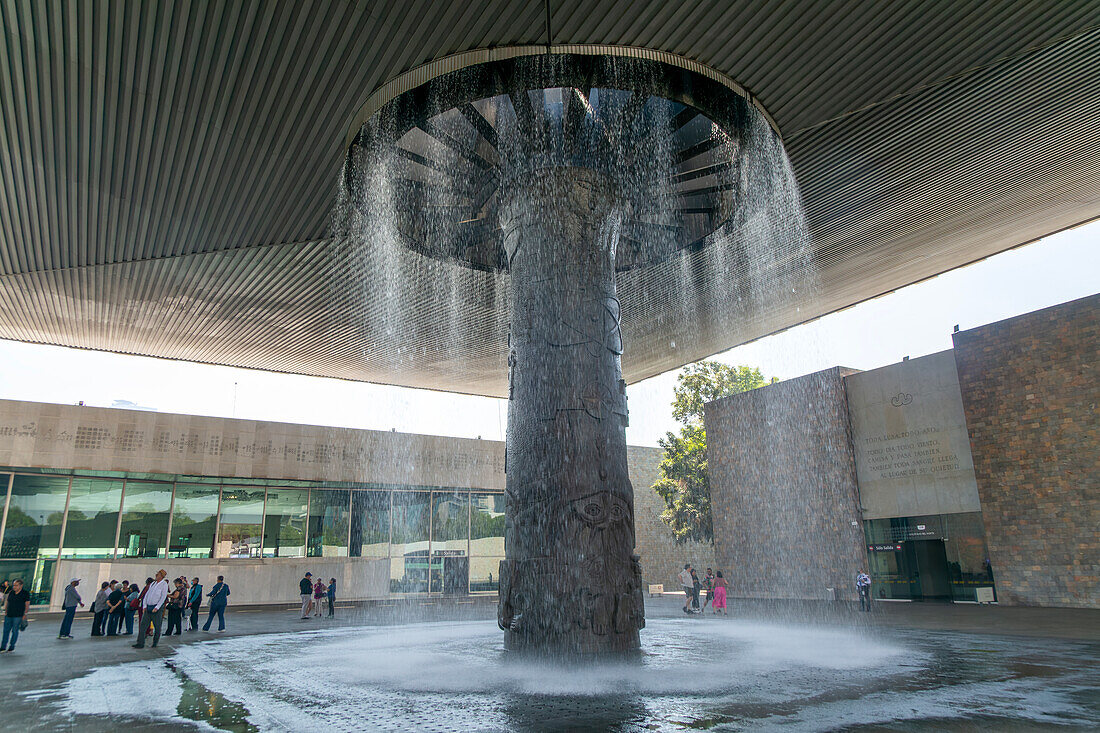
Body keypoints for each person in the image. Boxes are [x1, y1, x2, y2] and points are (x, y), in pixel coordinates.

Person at [133, 569, 169, 649]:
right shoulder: (153, 583)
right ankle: (140, 643)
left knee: (157, 626)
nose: (156, 575)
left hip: (156, 608)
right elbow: (147, 595)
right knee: (143, 625)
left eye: (158, 574)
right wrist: (144, 605)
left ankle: (155, 642)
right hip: (148, 607)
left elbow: (163, 597)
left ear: (162, 576)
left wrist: (157, 607)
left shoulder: (164, 584)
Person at [0, 579, 29, 652]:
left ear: (21, 585)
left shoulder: (25, 593)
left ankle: (12, 646)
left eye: (16, 585)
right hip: (9, 615)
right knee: (6, 631)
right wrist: (6, 611)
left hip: (18, 616)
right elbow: (7, 602)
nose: (14, 587)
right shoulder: (11, 592)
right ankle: (3, 647)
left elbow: (27, 604)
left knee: (15, 631)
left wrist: (25, 614)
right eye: (13, 585)